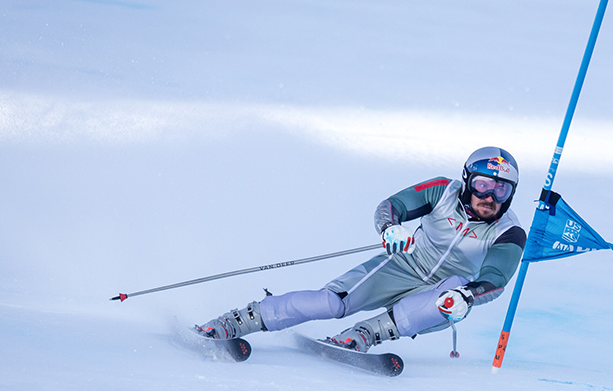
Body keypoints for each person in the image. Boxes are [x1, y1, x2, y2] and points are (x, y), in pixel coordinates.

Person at [196, 146, 526, 351]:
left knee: (453, 296)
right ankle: (240, 320)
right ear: (468, 182)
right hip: (403, 264)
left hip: (444, 288)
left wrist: (469, 296)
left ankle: (364, 335)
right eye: (483, 185)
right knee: (331, 302)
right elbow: (393, 204)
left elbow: (496, 278)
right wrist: (391, 227)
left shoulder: (508, 231)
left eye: (501, 189)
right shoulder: (443, 191)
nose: (490, 197)